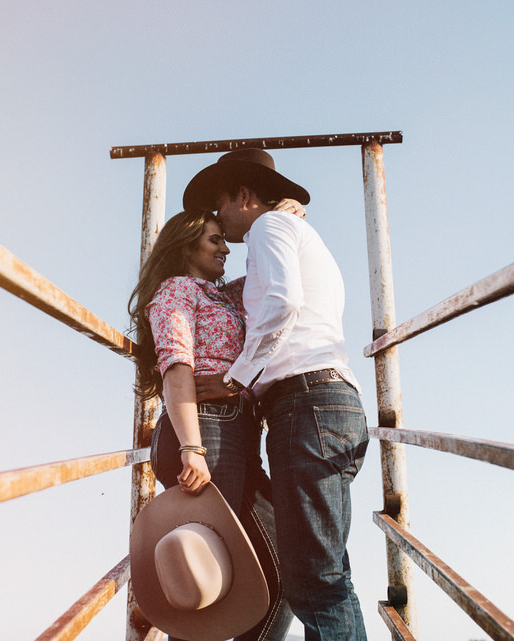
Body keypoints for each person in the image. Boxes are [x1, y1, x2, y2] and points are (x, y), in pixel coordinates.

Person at [184, 149, 370, 641]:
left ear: (244, 196)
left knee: (315, 581)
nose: (218, 217)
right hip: (330, 405)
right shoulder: (296, 234)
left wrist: (236, 377)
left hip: (304, 405)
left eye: (220, 204)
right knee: (325, 572)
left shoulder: (268, 230)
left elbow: (282, 301)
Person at [127, 209, 295, 641]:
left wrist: (288, 213)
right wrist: (192, 448)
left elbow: (269, 280)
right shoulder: (176, 291)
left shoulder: (221, 294)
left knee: (265, 565)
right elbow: (176, 369)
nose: (226, 248)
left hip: (237, 432)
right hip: (203, 430)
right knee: (225, 570)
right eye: (214, 240)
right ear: (186, 247)